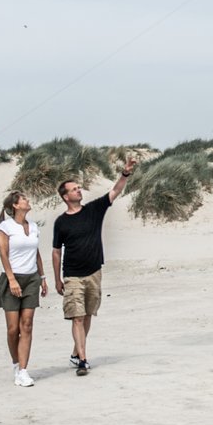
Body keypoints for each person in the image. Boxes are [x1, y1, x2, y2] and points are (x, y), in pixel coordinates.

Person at [52, 158, 137, 376]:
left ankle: (75, 353)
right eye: (74, 189)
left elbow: (115, 191)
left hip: (94, 273)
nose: (79, 191)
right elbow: (56, 251)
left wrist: (125, 173)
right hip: (72, 275)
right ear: (65, 196)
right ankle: (82, 360)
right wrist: (57, 279)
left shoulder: (94, 209)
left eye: (79, 188)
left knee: (87, 315)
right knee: (77, 317)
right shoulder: (61, 222)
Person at [0, 190, 46, 387]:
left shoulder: (34, 226)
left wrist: (42, 277)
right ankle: (15, 364)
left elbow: (36, 253)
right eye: (24, 199)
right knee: (13, 329)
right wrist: (11, 280)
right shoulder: (5, 227)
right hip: (12, 278)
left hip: (32, 279)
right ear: (15, 206)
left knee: (26, 325)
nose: (28, 200)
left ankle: (24, 371)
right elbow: (3, 254)